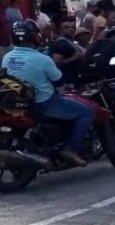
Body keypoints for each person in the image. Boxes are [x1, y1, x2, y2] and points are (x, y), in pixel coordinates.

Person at [2, 20, 93, 167]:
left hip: (17, 102)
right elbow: (58, 80)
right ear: (35, 36)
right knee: (87, 112)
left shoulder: (7, 57)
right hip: (43, 103)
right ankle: (70, 149)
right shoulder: (43, 59)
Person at [47, 20, 84, 89]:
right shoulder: (61, 43)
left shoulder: (69, 41)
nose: (70, 29)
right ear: (60, 30)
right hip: (66, 81)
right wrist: (74, 57)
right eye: (66, 27)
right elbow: (57, 62)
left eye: (73, 27)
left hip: (73, 78)